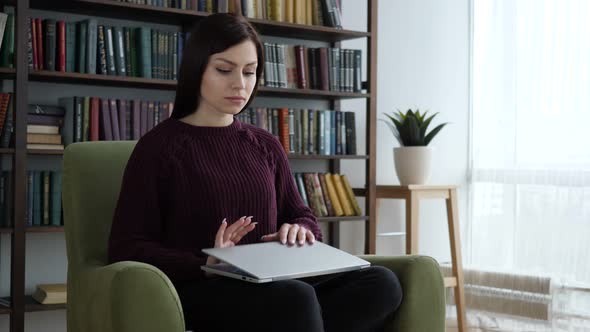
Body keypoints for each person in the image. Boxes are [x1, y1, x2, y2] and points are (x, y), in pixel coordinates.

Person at [108, 13, 402, 332]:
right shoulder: (159, 147)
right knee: (295, 299)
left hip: (275, 282)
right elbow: (126, 246)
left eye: (250, 72)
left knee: (381, 283)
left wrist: (299, 230)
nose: (240, 84)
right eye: (224, 69)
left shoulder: (264, 144)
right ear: (197, 70)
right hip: (199, 287)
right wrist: (207, 263)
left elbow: (303, 216)